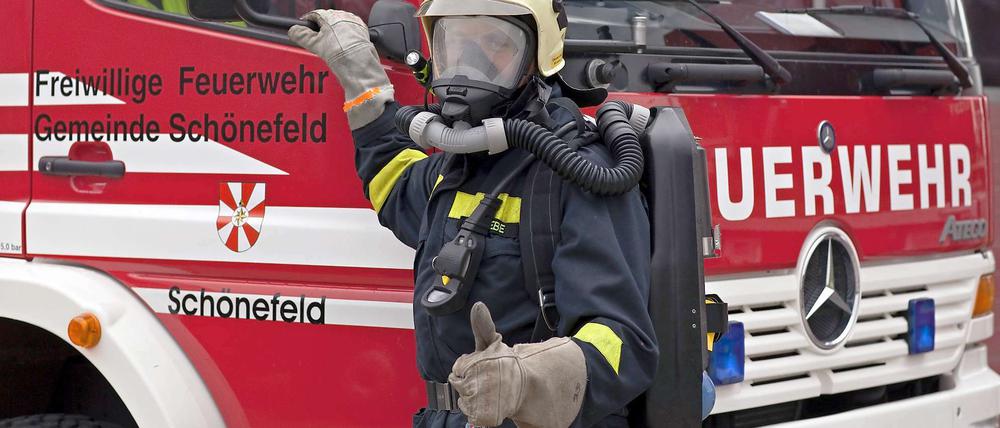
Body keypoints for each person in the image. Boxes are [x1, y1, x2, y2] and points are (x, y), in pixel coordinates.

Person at [288, 1, 658, 426]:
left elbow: (621, 341)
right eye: (457, 43)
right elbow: (396, 186)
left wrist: (525, 380)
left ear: (537, 57)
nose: (470, 62)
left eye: (495, 44)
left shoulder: (577, 172)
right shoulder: (463, 163)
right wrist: (363, 81)